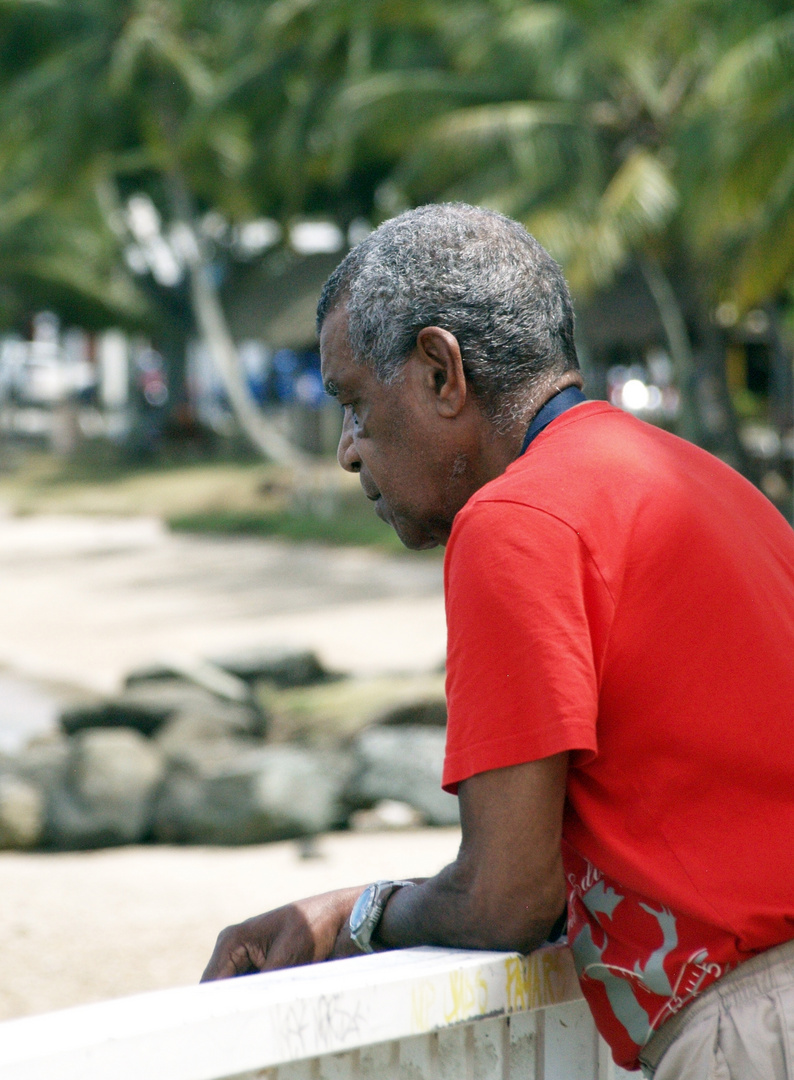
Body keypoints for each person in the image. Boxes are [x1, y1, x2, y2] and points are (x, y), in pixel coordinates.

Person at [202, 203, 794, 1078]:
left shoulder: (515, 521)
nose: (348, 452)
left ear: (443, 371)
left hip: (755, 1021)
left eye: (355, 403)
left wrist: (351, 915)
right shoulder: (709, 484)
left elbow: (507, 897)